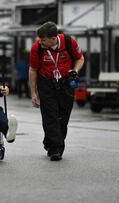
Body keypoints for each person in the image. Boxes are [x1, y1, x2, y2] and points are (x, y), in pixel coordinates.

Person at [28, 21, 84, 161]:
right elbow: (33, 69)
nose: (40, 42)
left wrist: (75, 70)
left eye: (43, 40)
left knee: (63, 117)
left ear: (53, 38)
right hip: (46, 83)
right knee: (50, 116)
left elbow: (80, 58)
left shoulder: (69, 42)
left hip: (66, 83)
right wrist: (33, 93)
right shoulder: (37, 48)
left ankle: (50, 142)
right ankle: (56, 149)